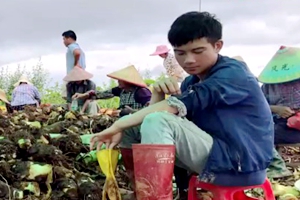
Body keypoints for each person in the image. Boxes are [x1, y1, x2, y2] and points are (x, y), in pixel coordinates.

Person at [89, 11, 274, 200]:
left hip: (239, 163)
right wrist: (158, 95)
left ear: (217, 46)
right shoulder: (190, 82)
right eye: (180, 53)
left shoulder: (232, 74)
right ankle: (143, 192)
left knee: (149, 119)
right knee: (132, 126)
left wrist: (119, 124)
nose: (188, 60)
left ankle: (154, 198)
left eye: (197, 51)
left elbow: (166, 115)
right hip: (215, 156)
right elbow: (163, 123)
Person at [260, 45, 300, 178]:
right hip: (275, 121)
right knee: (255, 131)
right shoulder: (269, 84)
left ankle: (278, 168)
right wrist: (276, 109)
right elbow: (256, 104)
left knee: (262, 135)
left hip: (295, 127)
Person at [74, 65, 152, 117]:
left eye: (120, 80)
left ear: (128, 81)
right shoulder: (120, 90)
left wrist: (131, 112)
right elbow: (102, 94)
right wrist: (85, 95)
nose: (118, 81)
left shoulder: (141, 92)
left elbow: (151, 110)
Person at [61, 30, 86, 99]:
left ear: (69, 38)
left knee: (67, 95)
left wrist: (76, 64)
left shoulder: (72, 46)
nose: (63, 42)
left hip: (73, 75)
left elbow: (77, 53)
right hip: (80, 75)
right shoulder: (79, 47)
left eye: (64, 39)